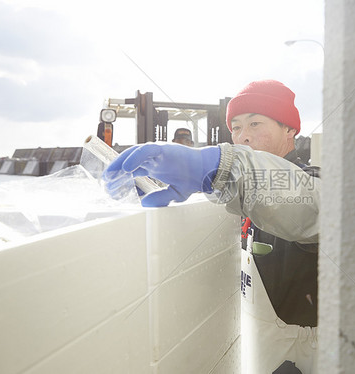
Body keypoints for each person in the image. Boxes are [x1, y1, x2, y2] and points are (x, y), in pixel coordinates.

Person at [103, 80, 320, 374]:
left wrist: (222, 166)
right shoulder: (239, 196)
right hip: (258, 351)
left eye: (255, 124)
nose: (244, 137)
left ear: (290, 129)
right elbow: (240, 194)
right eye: (237, 128)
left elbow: (303, 206)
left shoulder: (314, 182)